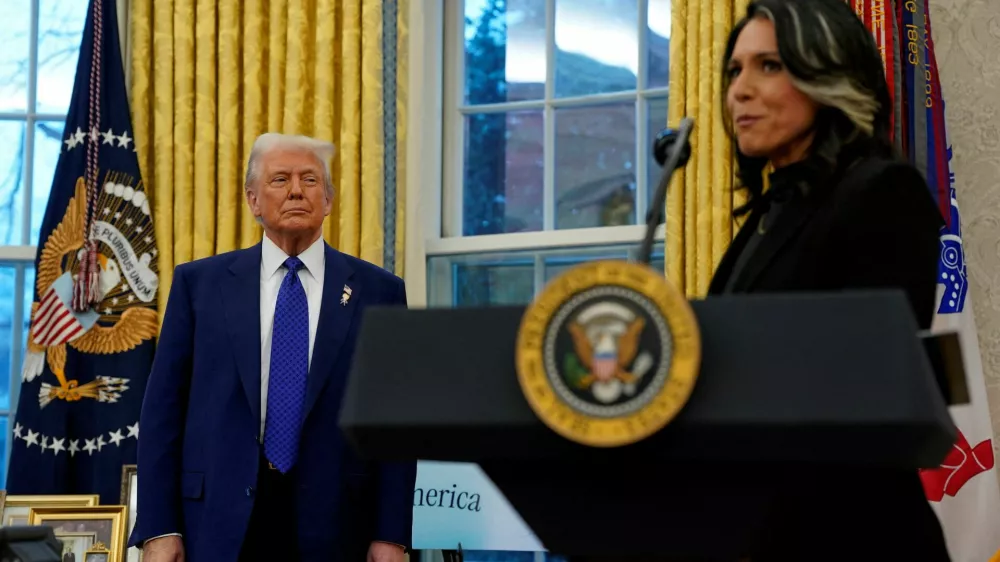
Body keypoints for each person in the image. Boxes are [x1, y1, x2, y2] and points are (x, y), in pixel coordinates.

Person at [712, 0, 950, 560]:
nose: (740, 90)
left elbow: (869, 382)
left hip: (852, 532)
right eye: (735, 70)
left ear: (829, 76)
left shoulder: (881, 191)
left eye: (769, 65)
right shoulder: (769, 214)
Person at [129, 133, 416, 562]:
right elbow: (162, 413)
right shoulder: (198, 286)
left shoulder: (380, 291)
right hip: (216, 522)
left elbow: (394, 423)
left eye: (310, 180)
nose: (297, 190)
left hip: (339, 525)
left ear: (329, 200)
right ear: (253, 200)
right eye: (280, 179)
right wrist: (158, 527)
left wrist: (392, 534)